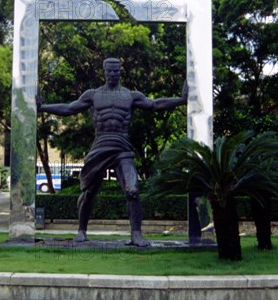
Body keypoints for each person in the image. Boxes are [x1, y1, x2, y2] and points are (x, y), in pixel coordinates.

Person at [37, 57, 187, 246]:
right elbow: (69, 108)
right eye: (109, 71)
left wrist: (181, 100)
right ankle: (81, 231)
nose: (113, 74)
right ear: (104, 72)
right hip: (100, 145)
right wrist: (43, 107)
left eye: (116, 71)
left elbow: (155, 104)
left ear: (120, 71)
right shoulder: (93, 95)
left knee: (133, 190)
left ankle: (136, 234)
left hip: (122, 147)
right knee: (88, 192)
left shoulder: (131, 96)